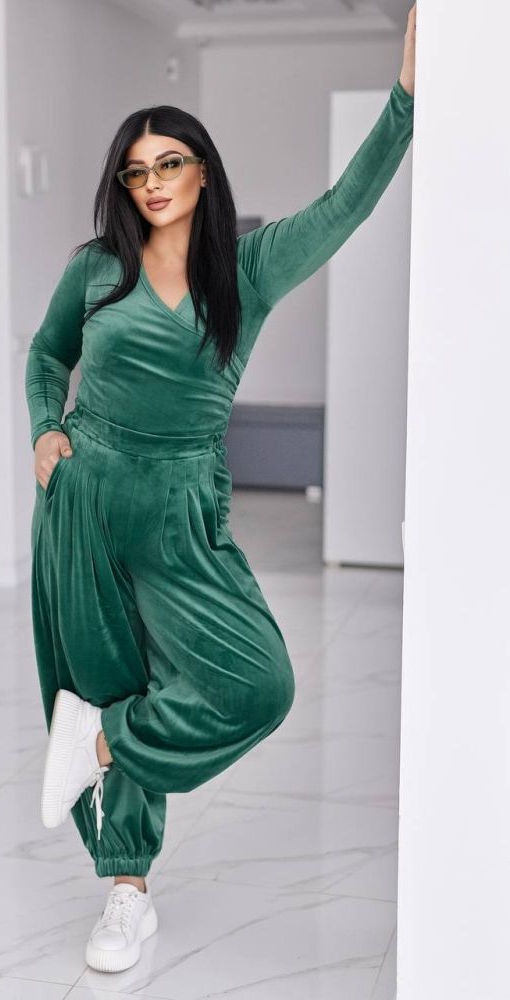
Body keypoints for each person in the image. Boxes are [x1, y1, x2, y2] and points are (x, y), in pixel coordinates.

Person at [25, 5, 416, 975]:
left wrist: (407, 100)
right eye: (137, 169)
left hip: (182, 504)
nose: (153, 182)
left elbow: (347, 204)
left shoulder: (250, 265)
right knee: (110, 672)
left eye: (171, 162)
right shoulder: (95, 268)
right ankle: (126, 893)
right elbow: (48, 354)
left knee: (258, 683)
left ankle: (101, 743)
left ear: (204, 171)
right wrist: (44, 428)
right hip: (86, 494)